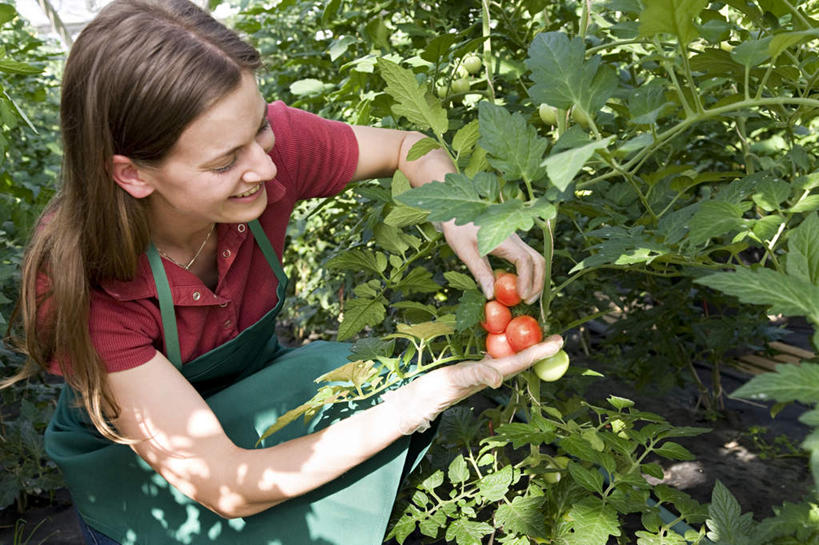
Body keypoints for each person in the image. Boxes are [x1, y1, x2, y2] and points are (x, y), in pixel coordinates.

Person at [4, 1, 563, 544]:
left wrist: (458, 210)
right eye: (225, 162)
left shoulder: (263, 155)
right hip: (141, 471)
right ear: (131, 175)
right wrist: (418, 401)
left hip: (250, 407)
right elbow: (227, 484)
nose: (267, 167)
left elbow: (406, 146)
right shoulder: (83, 279)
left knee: (357, 374)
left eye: (261, 129)